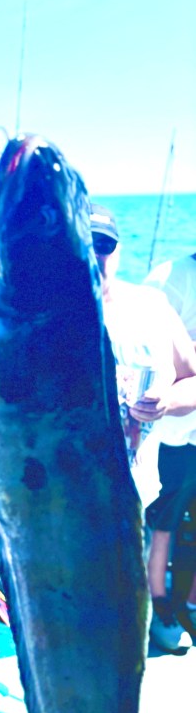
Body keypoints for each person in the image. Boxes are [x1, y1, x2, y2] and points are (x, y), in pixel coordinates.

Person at [90, 204, 196, 653]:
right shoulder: (40, 316)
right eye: (83, 243)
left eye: (103, 245)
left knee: (120, 635)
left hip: (134, 499)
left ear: (117, 250)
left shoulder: (150, 305)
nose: (93, 256)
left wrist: (168, 401)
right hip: (66, 507)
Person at [144, 250, 196, 642]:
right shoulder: (169, 277)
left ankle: (188, 602)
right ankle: (158, 606)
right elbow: (141, 348)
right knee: (164, 520)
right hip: (174, 434)